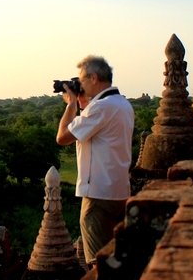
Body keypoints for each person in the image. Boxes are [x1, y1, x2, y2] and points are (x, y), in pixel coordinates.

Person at [56, 55, 134, 266]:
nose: (79, 85)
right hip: (119, 192)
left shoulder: (101, 108)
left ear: (93, 78)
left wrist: (71, 105)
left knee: (99, 264)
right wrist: (82, 104)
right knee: (115, 258)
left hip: (98, 195)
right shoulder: (122, 104)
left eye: (81, 80)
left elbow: (62, 138)